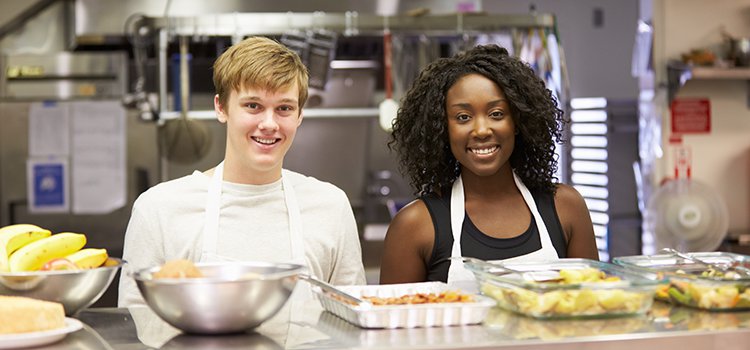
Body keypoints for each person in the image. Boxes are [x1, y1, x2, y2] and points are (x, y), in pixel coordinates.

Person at [119, 36, 366, 307]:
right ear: (221, 108)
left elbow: (352, 322)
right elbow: (134, 328)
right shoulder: (159, 209)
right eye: (253, 106)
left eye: (284, 108)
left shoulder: (331, 206)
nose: (269, 124)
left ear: (299, 116)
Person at [379, 44, 599, 285]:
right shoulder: (415, 225)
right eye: (463, 117)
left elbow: (594, 308)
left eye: (496, 114)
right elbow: (393, 319)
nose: (482, 130)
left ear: (518, 122)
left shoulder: (566, 207)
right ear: (442, 129)